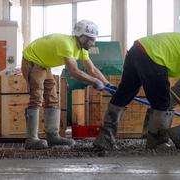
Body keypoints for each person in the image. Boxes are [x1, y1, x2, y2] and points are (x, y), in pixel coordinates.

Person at [21, 20, 115, 150]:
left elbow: (92, 69)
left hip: (45, 65)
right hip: (32, 60)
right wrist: (94, 81)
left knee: (52, 98)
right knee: (37, 97)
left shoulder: (82, 49)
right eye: (92, 40)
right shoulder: (67, 44)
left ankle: (52, 136)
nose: (93, 43)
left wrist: (108, 85)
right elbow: (74, 72)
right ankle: (31, 139)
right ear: (83, 37)